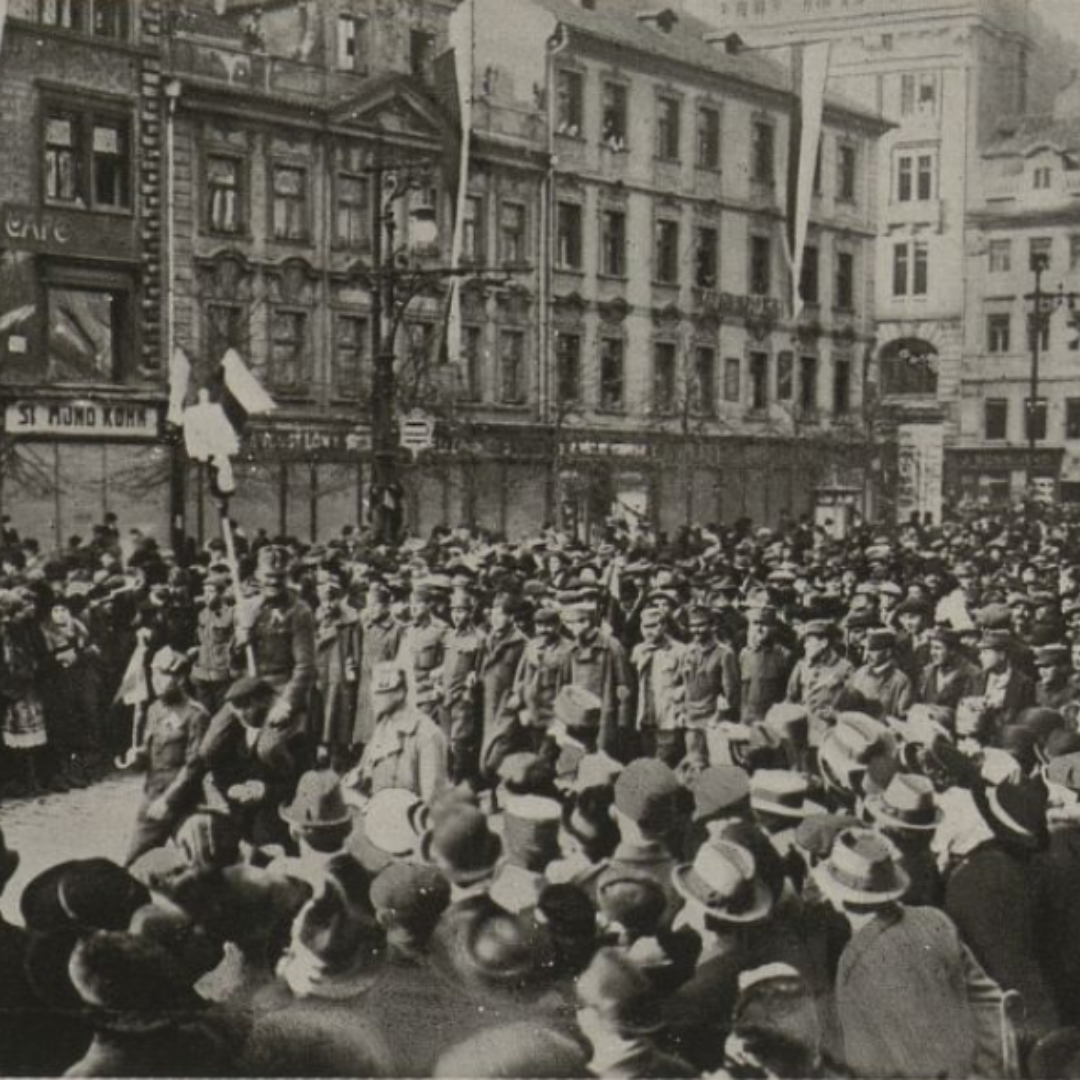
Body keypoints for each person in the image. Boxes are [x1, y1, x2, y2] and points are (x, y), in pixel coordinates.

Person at [815, 826, 1004, 1079]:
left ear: (838, 898)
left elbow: (867, 1062)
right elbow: (990, 1001)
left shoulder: (855, 962)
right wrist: (988, 1072)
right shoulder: (934, 920)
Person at [125, 647, 209, 866]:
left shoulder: (196, 714)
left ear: (180, 678)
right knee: (135, 862)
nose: (157, 681)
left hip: (184, 801)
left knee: (201, 865)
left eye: (164, 674)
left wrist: (169, 800)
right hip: (152, 795)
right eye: (154, 674)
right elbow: (150, 751)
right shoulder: (154, 709)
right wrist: (136, 756)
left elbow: (194, 765)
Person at [236, 545, 316, 740]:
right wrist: (240, 641)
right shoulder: (248, 607)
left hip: (282, 688)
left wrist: (287, 704)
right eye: (268, 575)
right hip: (251, 688)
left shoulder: (299, 611)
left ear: (287, 576)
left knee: (268, 751)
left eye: (279, 576)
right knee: (211, 747)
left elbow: (305, 666)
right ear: (257, 575)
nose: (273, 581)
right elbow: (234, 663)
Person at [356, 661, 449, 802]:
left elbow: (432, 800)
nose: (374, 698)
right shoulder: (382, 729)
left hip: (411, 819)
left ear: (400, 693)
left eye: (381, 692)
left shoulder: (426, 734)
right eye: (374, 693)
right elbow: (362, 776)